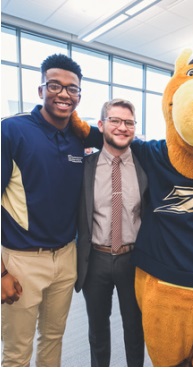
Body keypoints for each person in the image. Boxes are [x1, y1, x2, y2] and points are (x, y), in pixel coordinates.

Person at [1, 54, 90, 367]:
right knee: (16, 353)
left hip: (66, 258)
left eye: (72, 89)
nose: (64, 94)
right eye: (55, 85)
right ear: (41, 90)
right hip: (21, 260)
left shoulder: (78, 138)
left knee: (53, 340)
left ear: (79, 96)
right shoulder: (10, 131)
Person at [75, 98, 147, 367]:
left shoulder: (145, 164)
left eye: (129, 122)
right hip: (95, 259)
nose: (122, 127)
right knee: (98, 330)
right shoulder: (85, 166)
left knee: (135, 328)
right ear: (102, 125)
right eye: (115, 120)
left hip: (134, 259)